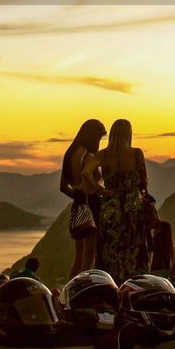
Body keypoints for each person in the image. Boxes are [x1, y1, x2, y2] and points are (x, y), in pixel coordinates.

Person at [83, 118, 150, 285]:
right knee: (133, 247)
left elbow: (85, 172)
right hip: (132, 207)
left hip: (110, 207)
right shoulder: (136, 153)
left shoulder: (103, 154)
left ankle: (110, 285)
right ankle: (132, 286)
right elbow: (144, 181)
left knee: (109, 248)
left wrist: (99, 189)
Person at [60, 119, 106, 278]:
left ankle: (69, 293)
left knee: (78, 260)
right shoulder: (88, 156)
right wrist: (99, 190)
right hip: (91, 206)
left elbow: (63, 187)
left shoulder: (70, 154)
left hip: (77, 207)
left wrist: (78, 195)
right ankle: (81, 294)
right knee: (89, 259)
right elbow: (88, 181)